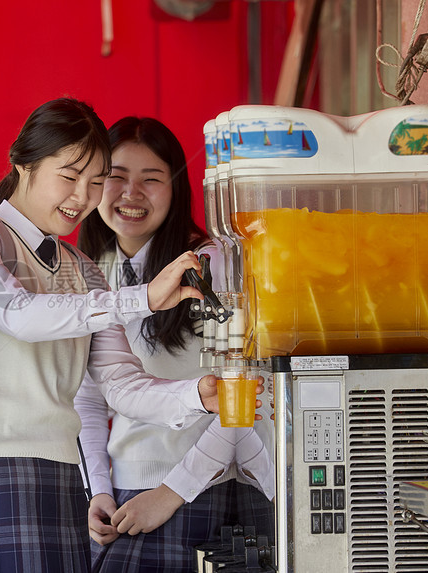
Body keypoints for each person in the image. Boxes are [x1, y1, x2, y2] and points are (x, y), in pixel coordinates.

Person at [0, 98, 262, 572]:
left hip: (58, 481)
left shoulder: (85, 271)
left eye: (96, 181)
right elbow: (19, 314)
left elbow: (120, 384)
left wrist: (197, 395)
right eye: (70, 176)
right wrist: (142, 298)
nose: (83, 196)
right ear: (23, 165)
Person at [75, 116, 275, 571]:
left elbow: (246, 394)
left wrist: (170, 494)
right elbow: (87, 398)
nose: (131, 194)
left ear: (177, 188)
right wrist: (99, 490)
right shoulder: (93, 271)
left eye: (151, 179)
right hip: (125, 492)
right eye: (117, 177)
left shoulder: (211, 266)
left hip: (202, 488)